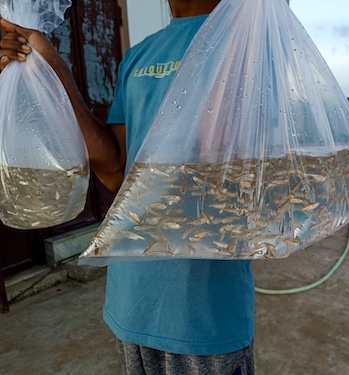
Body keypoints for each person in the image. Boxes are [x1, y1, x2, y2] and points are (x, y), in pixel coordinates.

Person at [0, 1, 255, 374]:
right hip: (133, 300)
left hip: (206, 310)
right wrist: (48, 63)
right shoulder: (138, 56)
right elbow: (117, 171)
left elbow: (235, 172)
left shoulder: (251, 39)